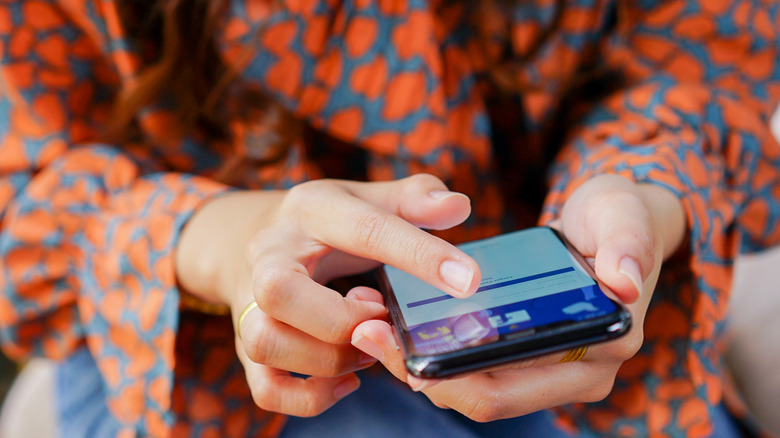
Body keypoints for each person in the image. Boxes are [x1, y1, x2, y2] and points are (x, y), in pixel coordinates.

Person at [0, 0, 777, 436]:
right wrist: (234, 242)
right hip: (192, 350)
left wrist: (639, 189)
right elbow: (25, 207)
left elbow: (700, 65)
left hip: (520, 295)